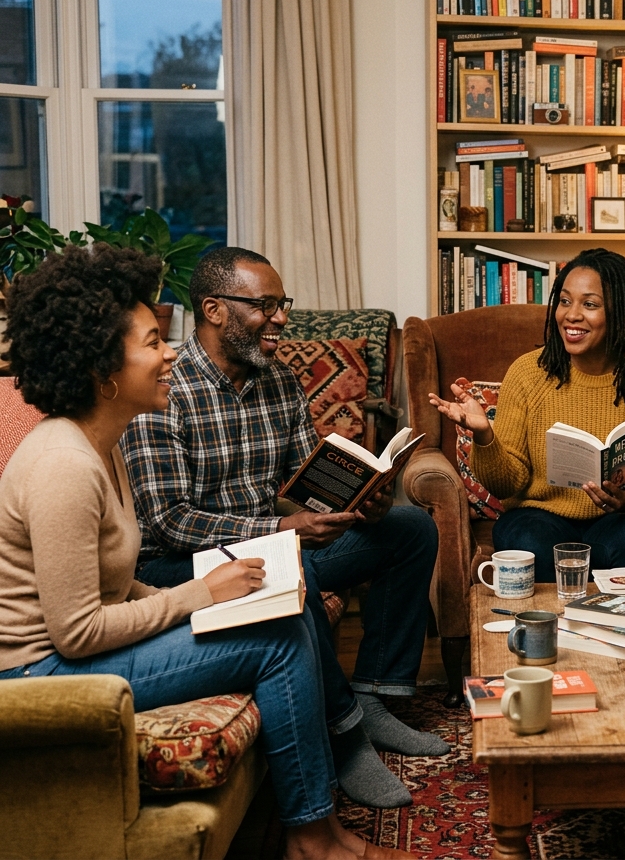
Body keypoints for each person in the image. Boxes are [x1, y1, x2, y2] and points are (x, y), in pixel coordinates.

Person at [0, 245, 411, 859]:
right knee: (277, 637)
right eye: (150, 342)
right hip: (41, 677)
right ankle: (314, 837)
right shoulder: (64, 464)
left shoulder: (99, 442)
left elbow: (113, 585)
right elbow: (76, 632)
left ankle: (315, 828)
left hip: (75, 653)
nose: (169, 352)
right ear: (101, 366)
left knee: (280, 602)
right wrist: (198, 595)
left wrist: (209, 595)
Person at [121, 247, 444, 811]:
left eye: (282, 304)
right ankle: (344, 736)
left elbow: (306, 478)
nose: (281, 319)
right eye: (264, 305)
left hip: (275, 542)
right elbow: (169, 522)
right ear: (215, 310)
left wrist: (360, 499)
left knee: (409, 528)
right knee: (289, 568)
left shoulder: (280, 379)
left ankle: (373, 697)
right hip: (180, 567)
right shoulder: (163, 392)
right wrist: (282, 528)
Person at [429, 248, 625, 582]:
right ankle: (555, 630)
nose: (571, 315)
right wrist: (485, 436)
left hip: (621, 517)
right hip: (539, 515)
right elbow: (507, 485)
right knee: (527, 541)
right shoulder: (527, 373)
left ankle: (622, 628)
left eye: (589, 304)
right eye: (565, 301)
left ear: (620, 313)